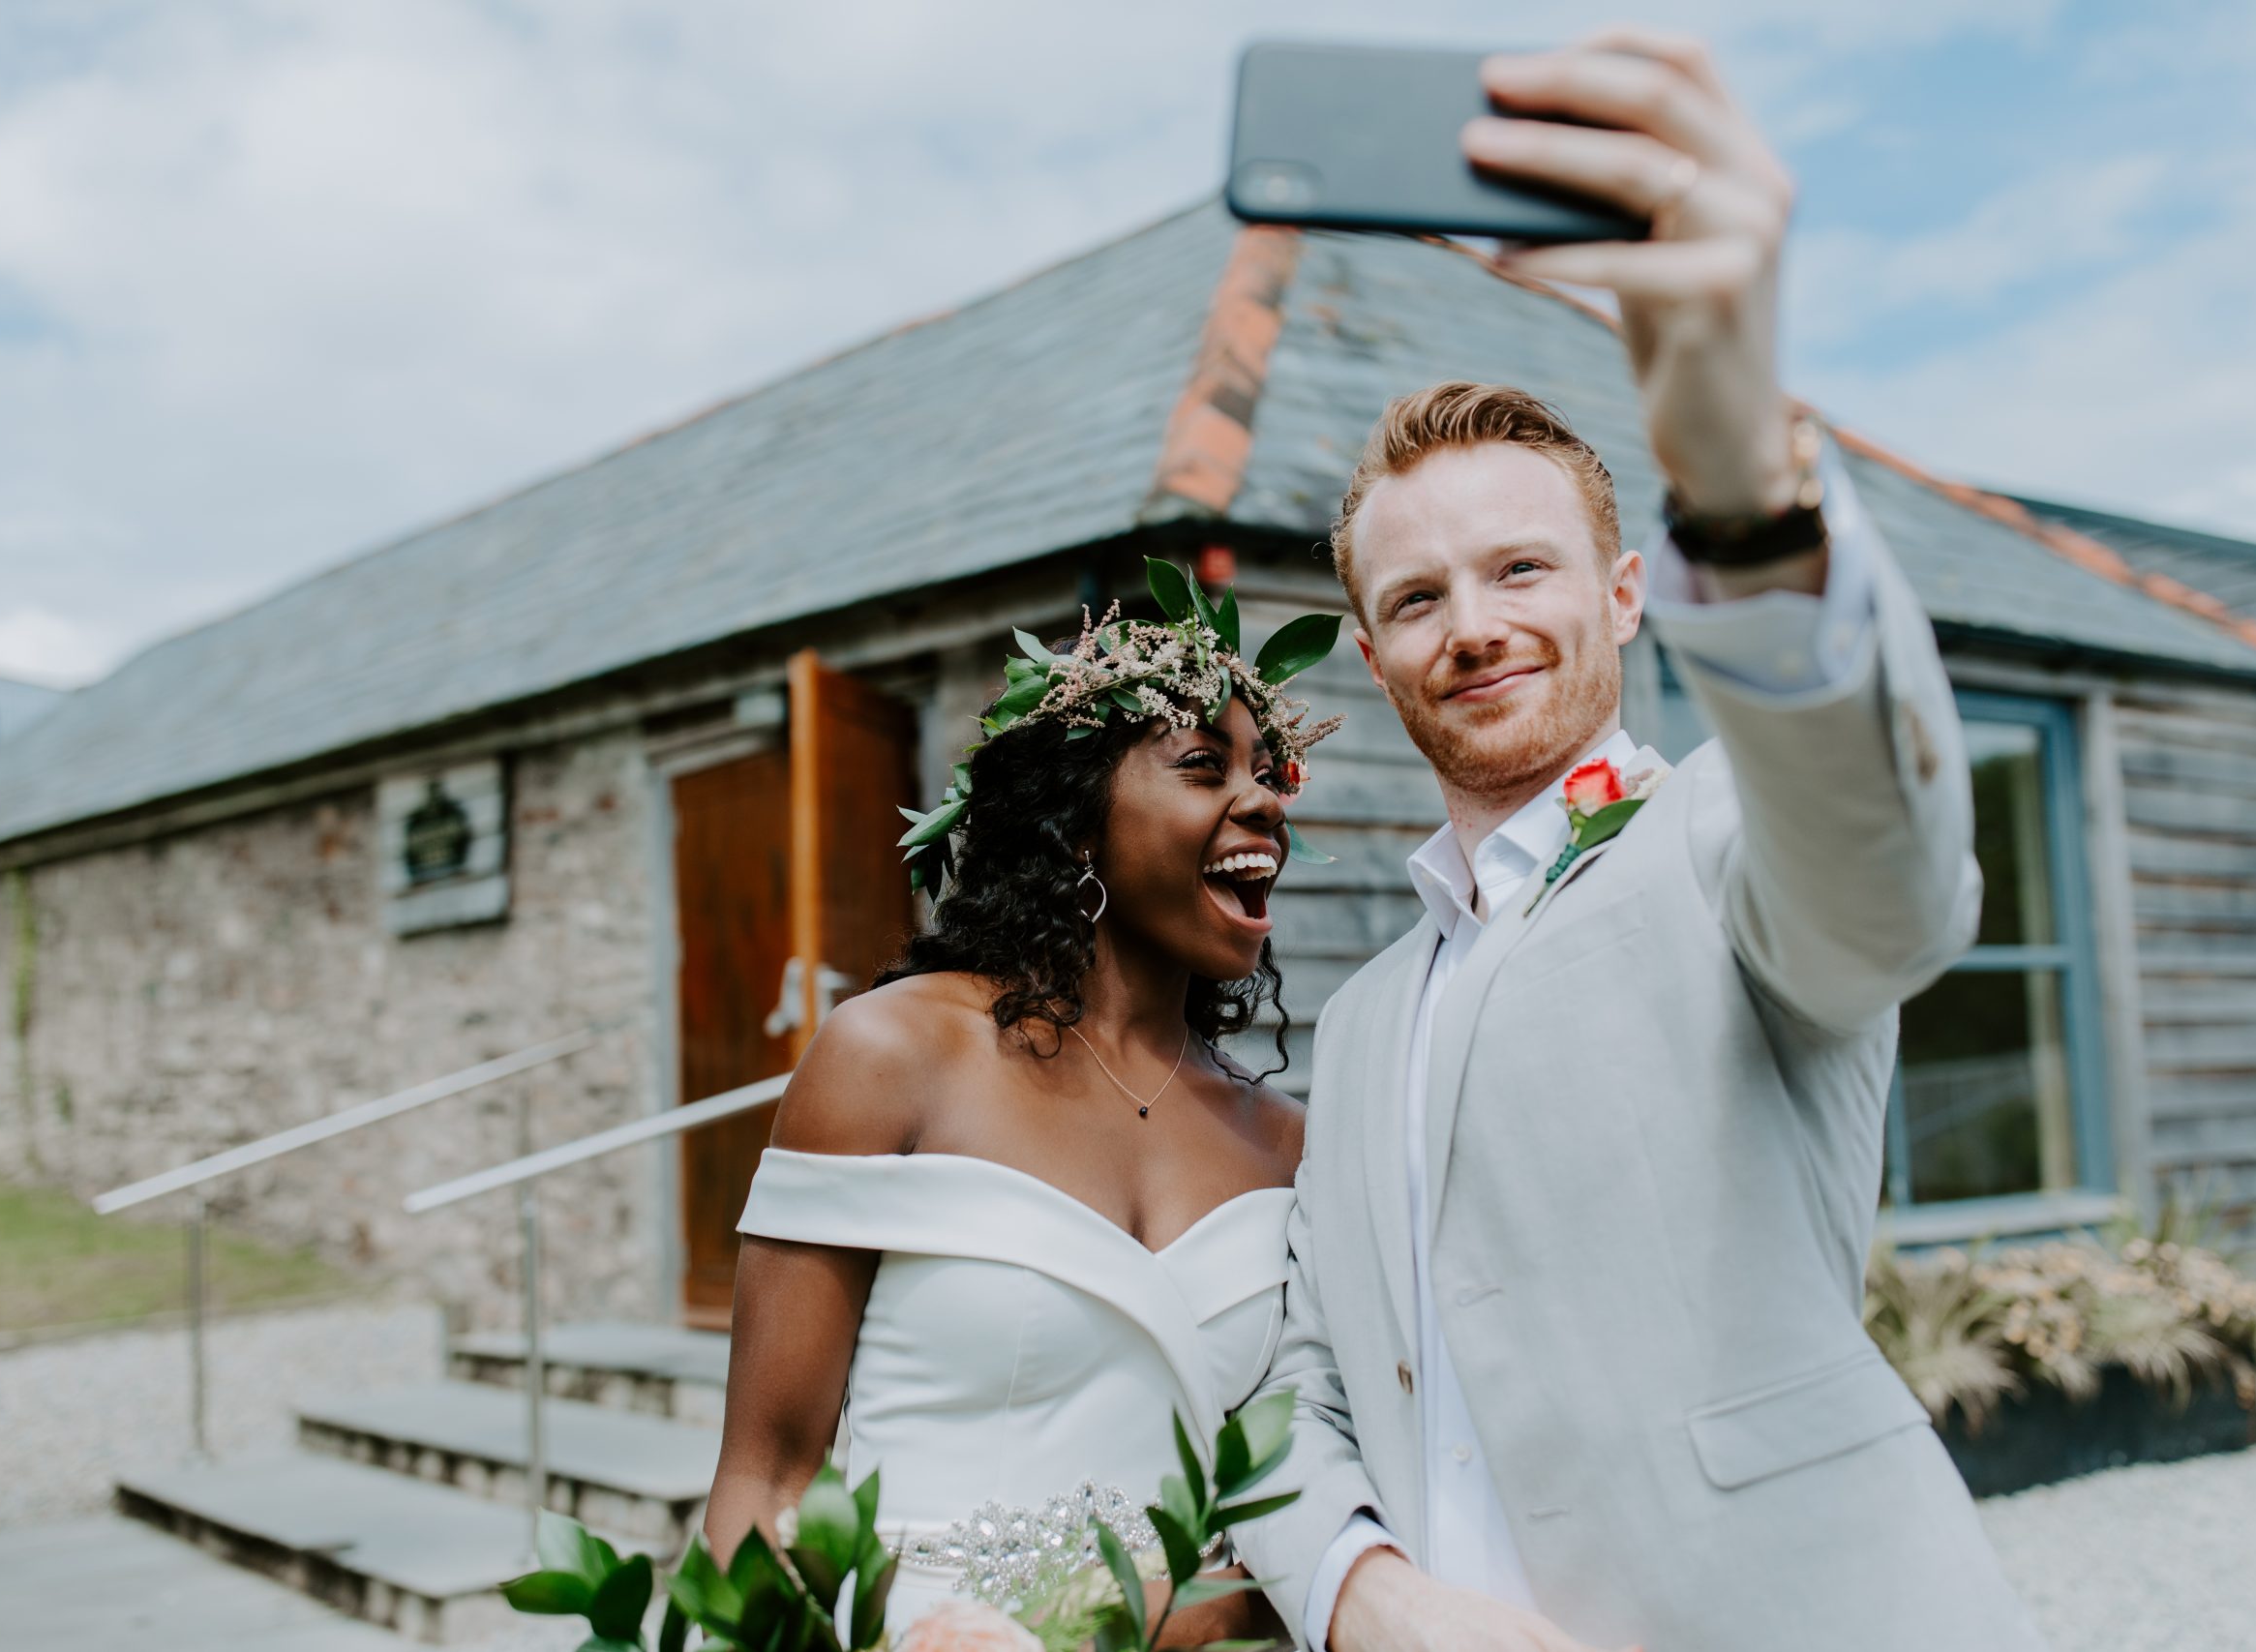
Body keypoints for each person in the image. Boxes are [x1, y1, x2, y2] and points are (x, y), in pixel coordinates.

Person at [1232, 27, 2049, 1652]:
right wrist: (1360, 1594)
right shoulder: (1369, 1012)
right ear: (1374, 649)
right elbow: (1300, 1378)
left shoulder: (1730, 844)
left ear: (1621, 595)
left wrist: (1746, 489)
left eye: (1521, 571)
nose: (1472, 625)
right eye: (1417, 596)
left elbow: (1886, 891)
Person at [700, 586, 1344, 1642]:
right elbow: (765, 1480)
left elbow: (1292, 1503)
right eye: (1202, 765)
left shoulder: (1283, 1142)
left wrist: (1137, 1625)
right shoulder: (891, 1057)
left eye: (1273, 777)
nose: (1265, 801)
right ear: (1074, 821)